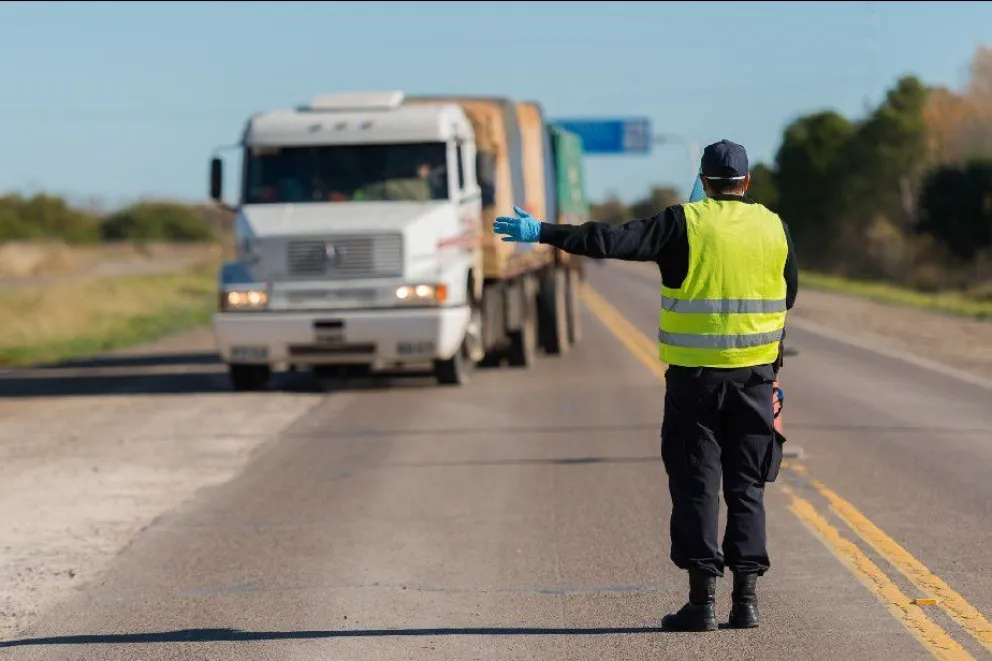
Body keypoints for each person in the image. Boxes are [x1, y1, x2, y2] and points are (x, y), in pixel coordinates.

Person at [492, 139, 798, 632]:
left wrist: (543, 231)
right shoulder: (774, 226)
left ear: (702, 181)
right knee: (747, 487)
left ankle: (702, 604)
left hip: (695, 382)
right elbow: (788, 295)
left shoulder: (682, 223)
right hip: (755, 380)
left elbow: (610, 240)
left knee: (698, 485)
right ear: (747, 182)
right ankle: (746, 602)